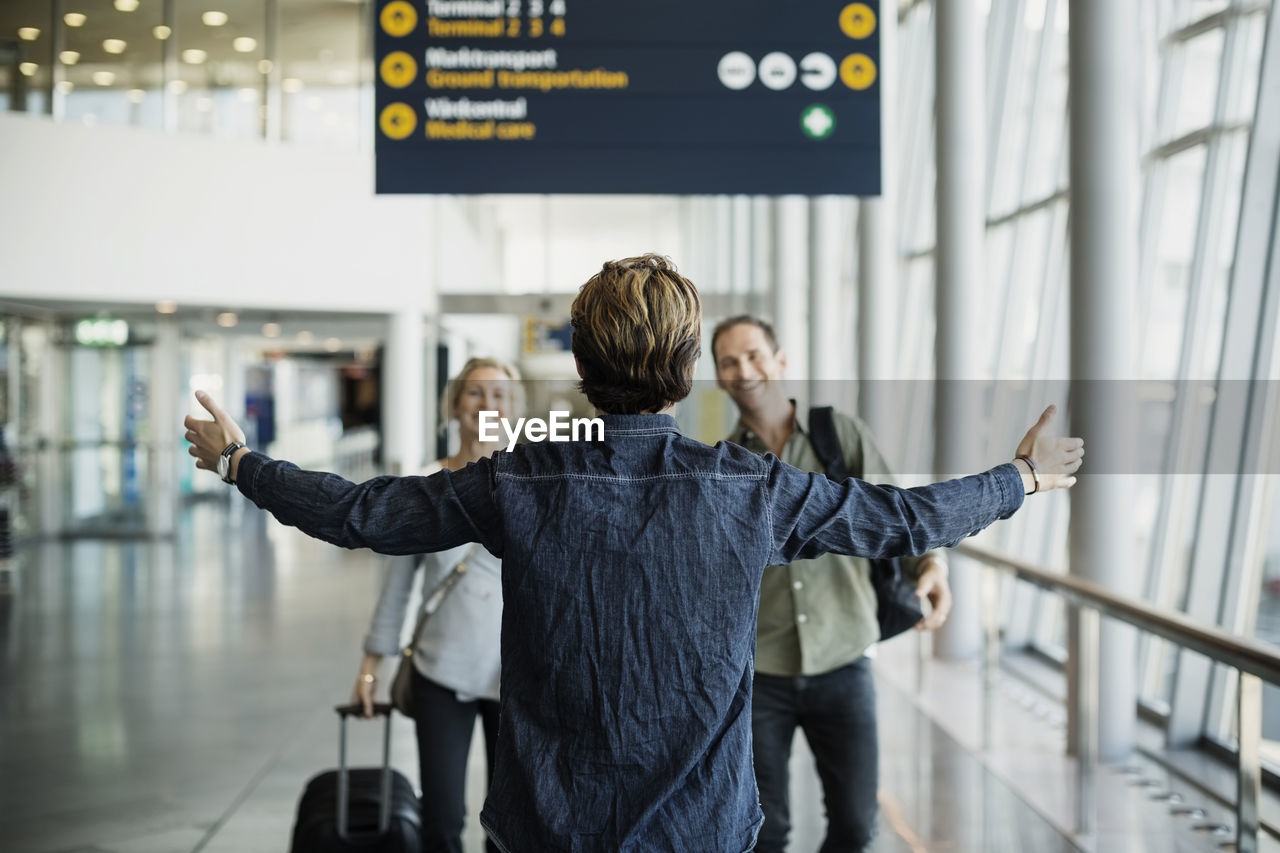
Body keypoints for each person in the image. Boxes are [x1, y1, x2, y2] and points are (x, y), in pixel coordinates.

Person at [184, 254, 1083, 853]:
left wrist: (240, 462)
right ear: (690, 364)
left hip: (546, 825)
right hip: (702, 828)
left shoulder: (518, 481)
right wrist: (1021, 478)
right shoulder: (751, 489)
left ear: (581, 362)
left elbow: (362, 512)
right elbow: (901, 519)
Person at [712, 314, 947, 852]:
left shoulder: (839, 435)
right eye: (729, 361)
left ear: (781, 361)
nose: (744, 369)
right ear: (720, 376)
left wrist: (930, 567)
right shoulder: (725, 464)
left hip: (843, 657)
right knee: (762, 831)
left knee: (854, 824)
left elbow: (896, 514)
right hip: (761, 670)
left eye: (754, 355)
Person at [352, 357, 521, 853]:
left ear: (516, 409)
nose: (487, 404)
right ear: (453, 405)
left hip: (513, 677)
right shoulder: (425, 485)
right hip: (439, 670)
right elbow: (397, 587)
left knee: (509, 826)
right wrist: (369, 669)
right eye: (475, 393)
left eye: (500, 395)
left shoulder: (534, 484)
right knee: (441, 820)